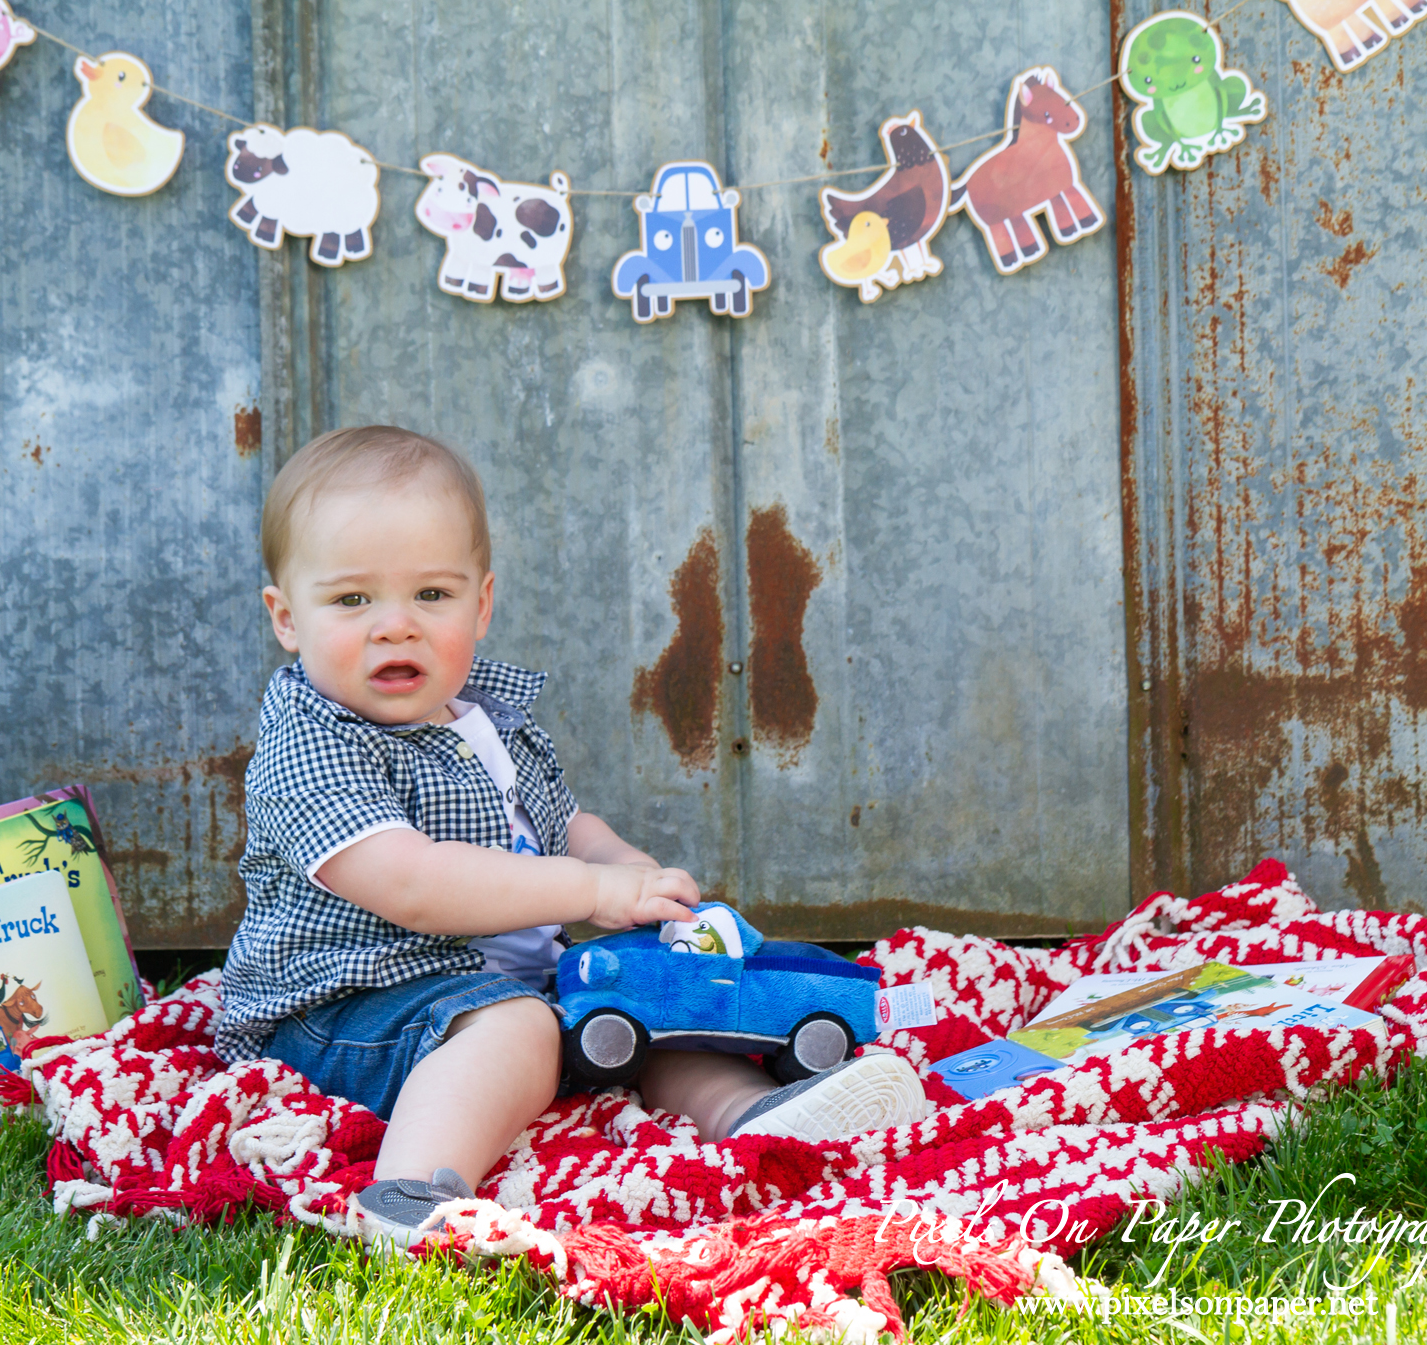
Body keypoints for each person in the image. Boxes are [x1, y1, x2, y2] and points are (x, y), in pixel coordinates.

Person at [216, 425, 920, 1245]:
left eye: (431, 596)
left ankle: (754, 1112)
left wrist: (626, 869)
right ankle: (409, 1190)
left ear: (480, 604)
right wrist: (589, 891)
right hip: (349, 1004)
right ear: (286, 617)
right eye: (351, 599)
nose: (395, 626)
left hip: (495, 985)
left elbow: (563, 824)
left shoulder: (489, 719)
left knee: (637, 1002)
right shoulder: (312, 740)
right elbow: (410, 882)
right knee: (522, 1026)